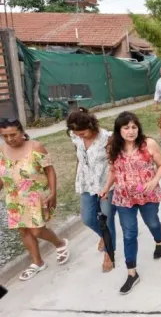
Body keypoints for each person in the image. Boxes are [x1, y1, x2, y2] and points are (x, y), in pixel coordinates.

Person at [101, 112, 161, 295]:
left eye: (134, 127)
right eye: (126, 127)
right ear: (118, 130)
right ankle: (132, 273)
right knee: (129, 234)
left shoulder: (148, 144)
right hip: (124, 197)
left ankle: (159, 241)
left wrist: (154, 181)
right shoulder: (112, 147)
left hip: (147, 194)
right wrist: (106, 187)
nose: (131, 131)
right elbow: (113, 171)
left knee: (152, 223)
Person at [0, 118, 70, 281]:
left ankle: (60, 243)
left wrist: (53, 193)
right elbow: (3, 174)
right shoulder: (2, 150)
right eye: (5, 136)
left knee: (37, 230)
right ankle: (38, 263)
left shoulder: (36, 147)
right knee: (23, 230)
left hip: (35, 196)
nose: (10, 139)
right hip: (14, 197)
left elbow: (50, 170)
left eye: (13, 135)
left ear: (21, 132)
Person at [66, 108, 117, 272]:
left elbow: (114, 165)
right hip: (86, 183)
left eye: (83, 133)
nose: (80, 136)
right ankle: (104, 235)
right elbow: (79, 156)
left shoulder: (107, 139)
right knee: (88, 218)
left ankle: (109, 252)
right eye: (77, 133)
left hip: (105, 184)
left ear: (92, 125)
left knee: (107, 219)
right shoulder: (75, 136)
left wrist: (108, 187)